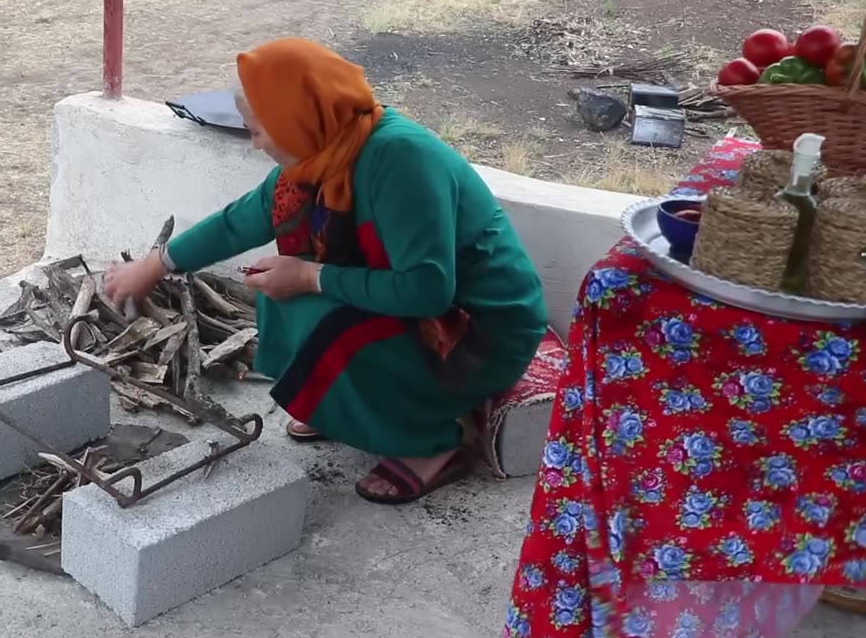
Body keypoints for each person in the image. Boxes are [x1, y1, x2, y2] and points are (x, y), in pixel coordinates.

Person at [105, 37, 547, 504]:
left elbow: (428, 291)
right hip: (428, 310)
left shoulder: (400, 160)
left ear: (296, 120)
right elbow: (241, 222)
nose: (255, 144)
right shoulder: (326, 148)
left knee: (322, 315)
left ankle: (432, 443)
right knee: (278, 286)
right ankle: (340, 404)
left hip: (478, 333)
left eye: (258, 131)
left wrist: (309, 276)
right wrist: (155, 265)